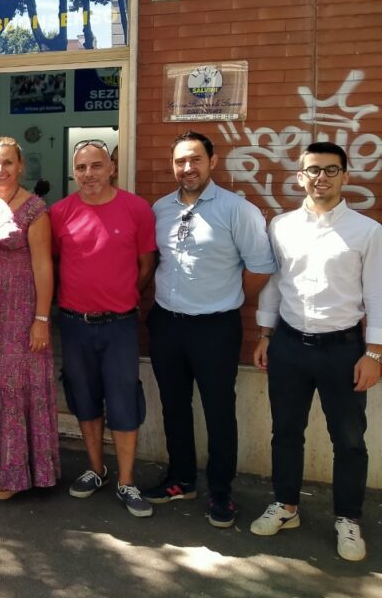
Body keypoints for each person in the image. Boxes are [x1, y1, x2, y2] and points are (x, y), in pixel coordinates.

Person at [251, 141, 381, 562]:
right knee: (286, 432)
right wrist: (265, 334)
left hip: (342, 351)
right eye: (313, 170)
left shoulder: (367, 231)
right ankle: (286, 505)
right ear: (300, 176)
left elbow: (377, 294)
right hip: (289, 345)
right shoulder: (282, 226)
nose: (320, 177)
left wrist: (374, 354)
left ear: (345, 175)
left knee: (349, 439)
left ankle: (348, 518)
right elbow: (274, 284)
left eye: (330, 170)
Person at [144, 131, 275, 527]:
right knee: (174, 405)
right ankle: (181, 479)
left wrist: (228, 296)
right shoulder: (160, 208)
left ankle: (221, 491)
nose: (188, 168)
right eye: (180, 161)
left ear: (212, 162)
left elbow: (260, 268)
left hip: (215, 327)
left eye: (196, 159)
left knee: (219, 410)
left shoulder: (237, 210)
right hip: (167, 323)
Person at [49, 138, 156, 518]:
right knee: (84, 398)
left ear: (111, 167)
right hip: (74, 325)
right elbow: (54, 264)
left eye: (96, 166)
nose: (89, 174)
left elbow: (147, 265)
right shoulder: (59, 213)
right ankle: (96, 470)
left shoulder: (136, 209)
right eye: (81, 168)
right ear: (73, 173)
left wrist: (122, 296)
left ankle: (127, 481)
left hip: (120, 325)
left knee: (124, 401)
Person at [0, 137, 59, 500]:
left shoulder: (35, 209)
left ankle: (15, 471)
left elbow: (43, 266)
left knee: (12, 381)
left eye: (7, 162)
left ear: (20, 166)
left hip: (19, 306)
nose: (0, 169)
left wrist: (41, 318)